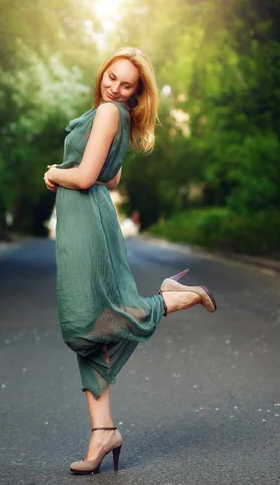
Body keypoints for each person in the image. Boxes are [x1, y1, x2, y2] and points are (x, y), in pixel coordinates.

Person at [43, 47, 217, 475]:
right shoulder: (111, 115)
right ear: (103, 72)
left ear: (137, 92)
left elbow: (84, 177)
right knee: (89, 328)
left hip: (86, 219)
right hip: (89, 217)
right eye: (112, 78)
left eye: (126, 85)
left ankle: (172, 297)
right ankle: (103, 432)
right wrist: (79, 171)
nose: (115, 87)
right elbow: (111, 176)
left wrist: (53, 173)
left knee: (88, 319)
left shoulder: (107, 113)